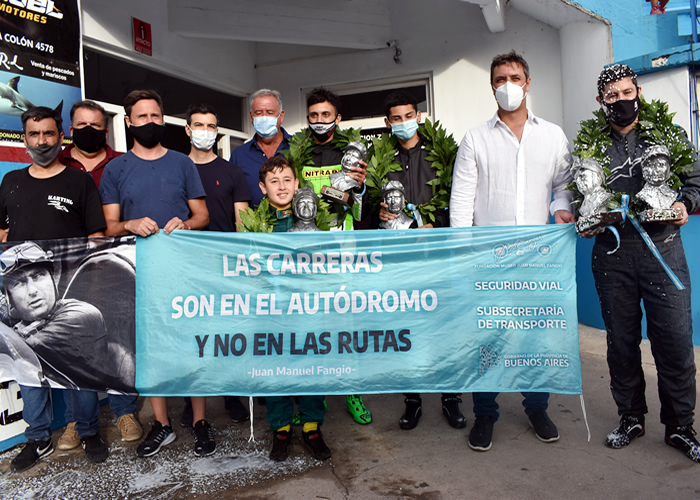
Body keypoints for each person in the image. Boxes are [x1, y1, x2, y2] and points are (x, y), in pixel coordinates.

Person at [450, 51, 574, 451]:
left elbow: (563, 185)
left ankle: (537, 407)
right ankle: (485, 412)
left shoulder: (553, 135)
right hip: (490, 258)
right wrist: (462, 253)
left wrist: (560, 209)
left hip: (540, 257)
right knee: (488, 336)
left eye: (515, 77)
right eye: (500, 78)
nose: (508, 85)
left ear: (527, 82)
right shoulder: (475, 138)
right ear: (492, 86)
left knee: (537, 335)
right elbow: (462, 200)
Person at [587, 64, 699, 463]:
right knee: (621, 342)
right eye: (612, 96)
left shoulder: (667, 135)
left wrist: (685, 205)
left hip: (663, 250)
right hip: (612, 255)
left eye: (626, 91)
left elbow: (695, 181)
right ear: (601, 102)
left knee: (673, 340)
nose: (621, 101)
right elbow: (578, 194)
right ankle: (630, 416)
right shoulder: (589, 146)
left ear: (638, 91)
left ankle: (680, 426)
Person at [99, 89, 211, 458]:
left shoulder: (182, 163)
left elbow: (202, 215)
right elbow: (110, 226)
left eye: (156, 116)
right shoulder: (115, 169)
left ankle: (199, 421)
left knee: (191, 343)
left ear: (164, 120)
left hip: (182, 270)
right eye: (142, 117)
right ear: (129, 122)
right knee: (151, 350)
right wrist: (130, 223)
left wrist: (187, 224)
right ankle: (162, 425)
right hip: (138, 274)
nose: (150, 123)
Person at [0, 106, 110, 471]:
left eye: (49, 134)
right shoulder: (11, 182)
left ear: (60, 135)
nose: (42, 141)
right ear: (24, 138)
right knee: (29, 373)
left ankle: (89, 430)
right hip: (19, 293)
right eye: (34, 134)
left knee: (78, 371)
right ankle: (37, 439)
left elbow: (96, 235)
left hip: (69, 289)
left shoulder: (79, 183)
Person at [57, 99, 143, 451]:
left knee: (118, 337)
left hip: (113, 265)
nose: (88, 131)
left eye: (95, 126)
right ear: (70, 129)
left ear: (105, 130)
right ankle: (78, 421)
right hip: (67, 271)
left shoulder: (122, 164)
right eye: (81, 125)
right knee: (74, 343)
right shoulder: (56, 165)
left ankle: (124, 411)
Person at [378, 91, 463, 429]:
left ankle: (451, 398)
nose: (403, 122)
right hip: (401, 261)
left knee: (446, 328)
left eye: (408, 115)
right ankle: (411, 400)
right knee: (407, 328)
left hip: (440, 255)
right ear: (387, 123)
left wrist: (436, 225)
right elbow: (369, 210)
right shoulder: (380, 160)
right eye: (396, 118)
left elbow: (460, 199)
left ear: (420, 116)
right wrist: (379, 212)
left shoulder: (444, 154)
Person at [303, 87, 372, 424]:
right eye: (314, 115)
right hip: (308, 253)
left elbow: (362, 211)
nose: (319, 121)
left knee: (347, 323)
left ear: (337, 118)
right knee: (315, 323)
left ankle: (352, 389)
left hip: (343, 251)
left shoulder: (352, 154)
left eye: (326, 115)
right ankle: (319, 391)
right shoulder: (298, 153)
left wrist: (358, 188)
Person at [180, 102, 251, 429]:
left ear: (217, 132)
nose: (205, 132)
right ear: (188, 130)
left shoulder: (232, 172)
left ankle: (232, 394)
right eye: (199, 125)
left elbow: (242, 222)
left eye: (211, 126)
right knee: (191, 336)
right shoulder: (176, 169)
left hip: (226, 266)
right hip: (187, 265)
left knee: (228, 334)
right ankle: (191, 400)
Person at [255, 156, 332, 461]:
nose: (282, 186)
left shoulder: (318, 219)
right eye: (274, 181)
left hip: (310, 309)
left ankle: (312, 427)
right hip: (273, 311)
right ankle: (281, 429)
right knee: (276, 370)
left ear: (298, 183)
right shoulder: (255, 224)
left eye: (287, 179)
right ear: (263, 188)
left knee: (312, 366)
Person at [230, 89, 291, 207]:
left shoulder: (298, 148)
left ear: (281, 116)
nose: (264, 117)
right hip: (253, 224)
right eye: (258, 113)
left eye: (269, 112)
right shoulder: (239, 155)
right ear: (251, 117)